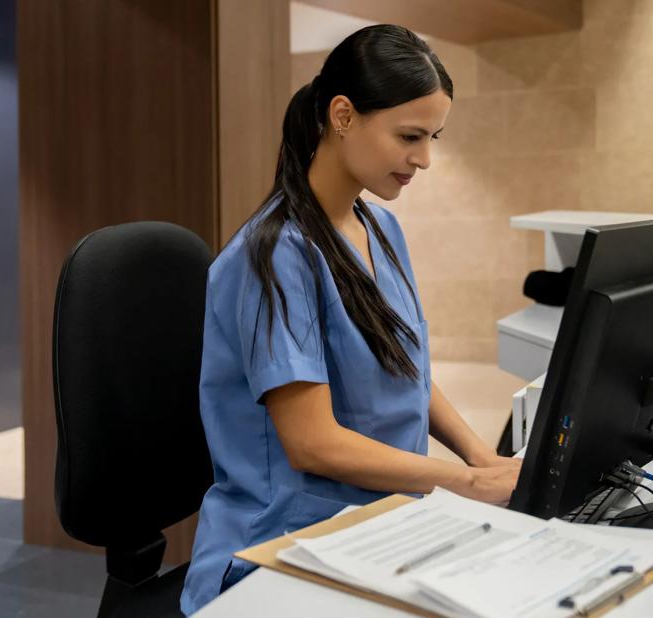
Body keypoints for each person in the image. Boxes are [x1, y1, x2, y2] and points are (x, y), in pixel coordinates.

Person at [180, 24, 522, 614]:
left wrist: (480, 457)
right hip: (281, 544)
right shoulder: (272, 256)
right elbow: (313, 445)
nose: (426, 159)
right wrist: (465, 485)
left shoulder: (380, 229)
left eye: (434, 137)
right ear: (343, 116)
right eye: (410, 136)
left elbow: (403, 368)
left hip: (382, 520)